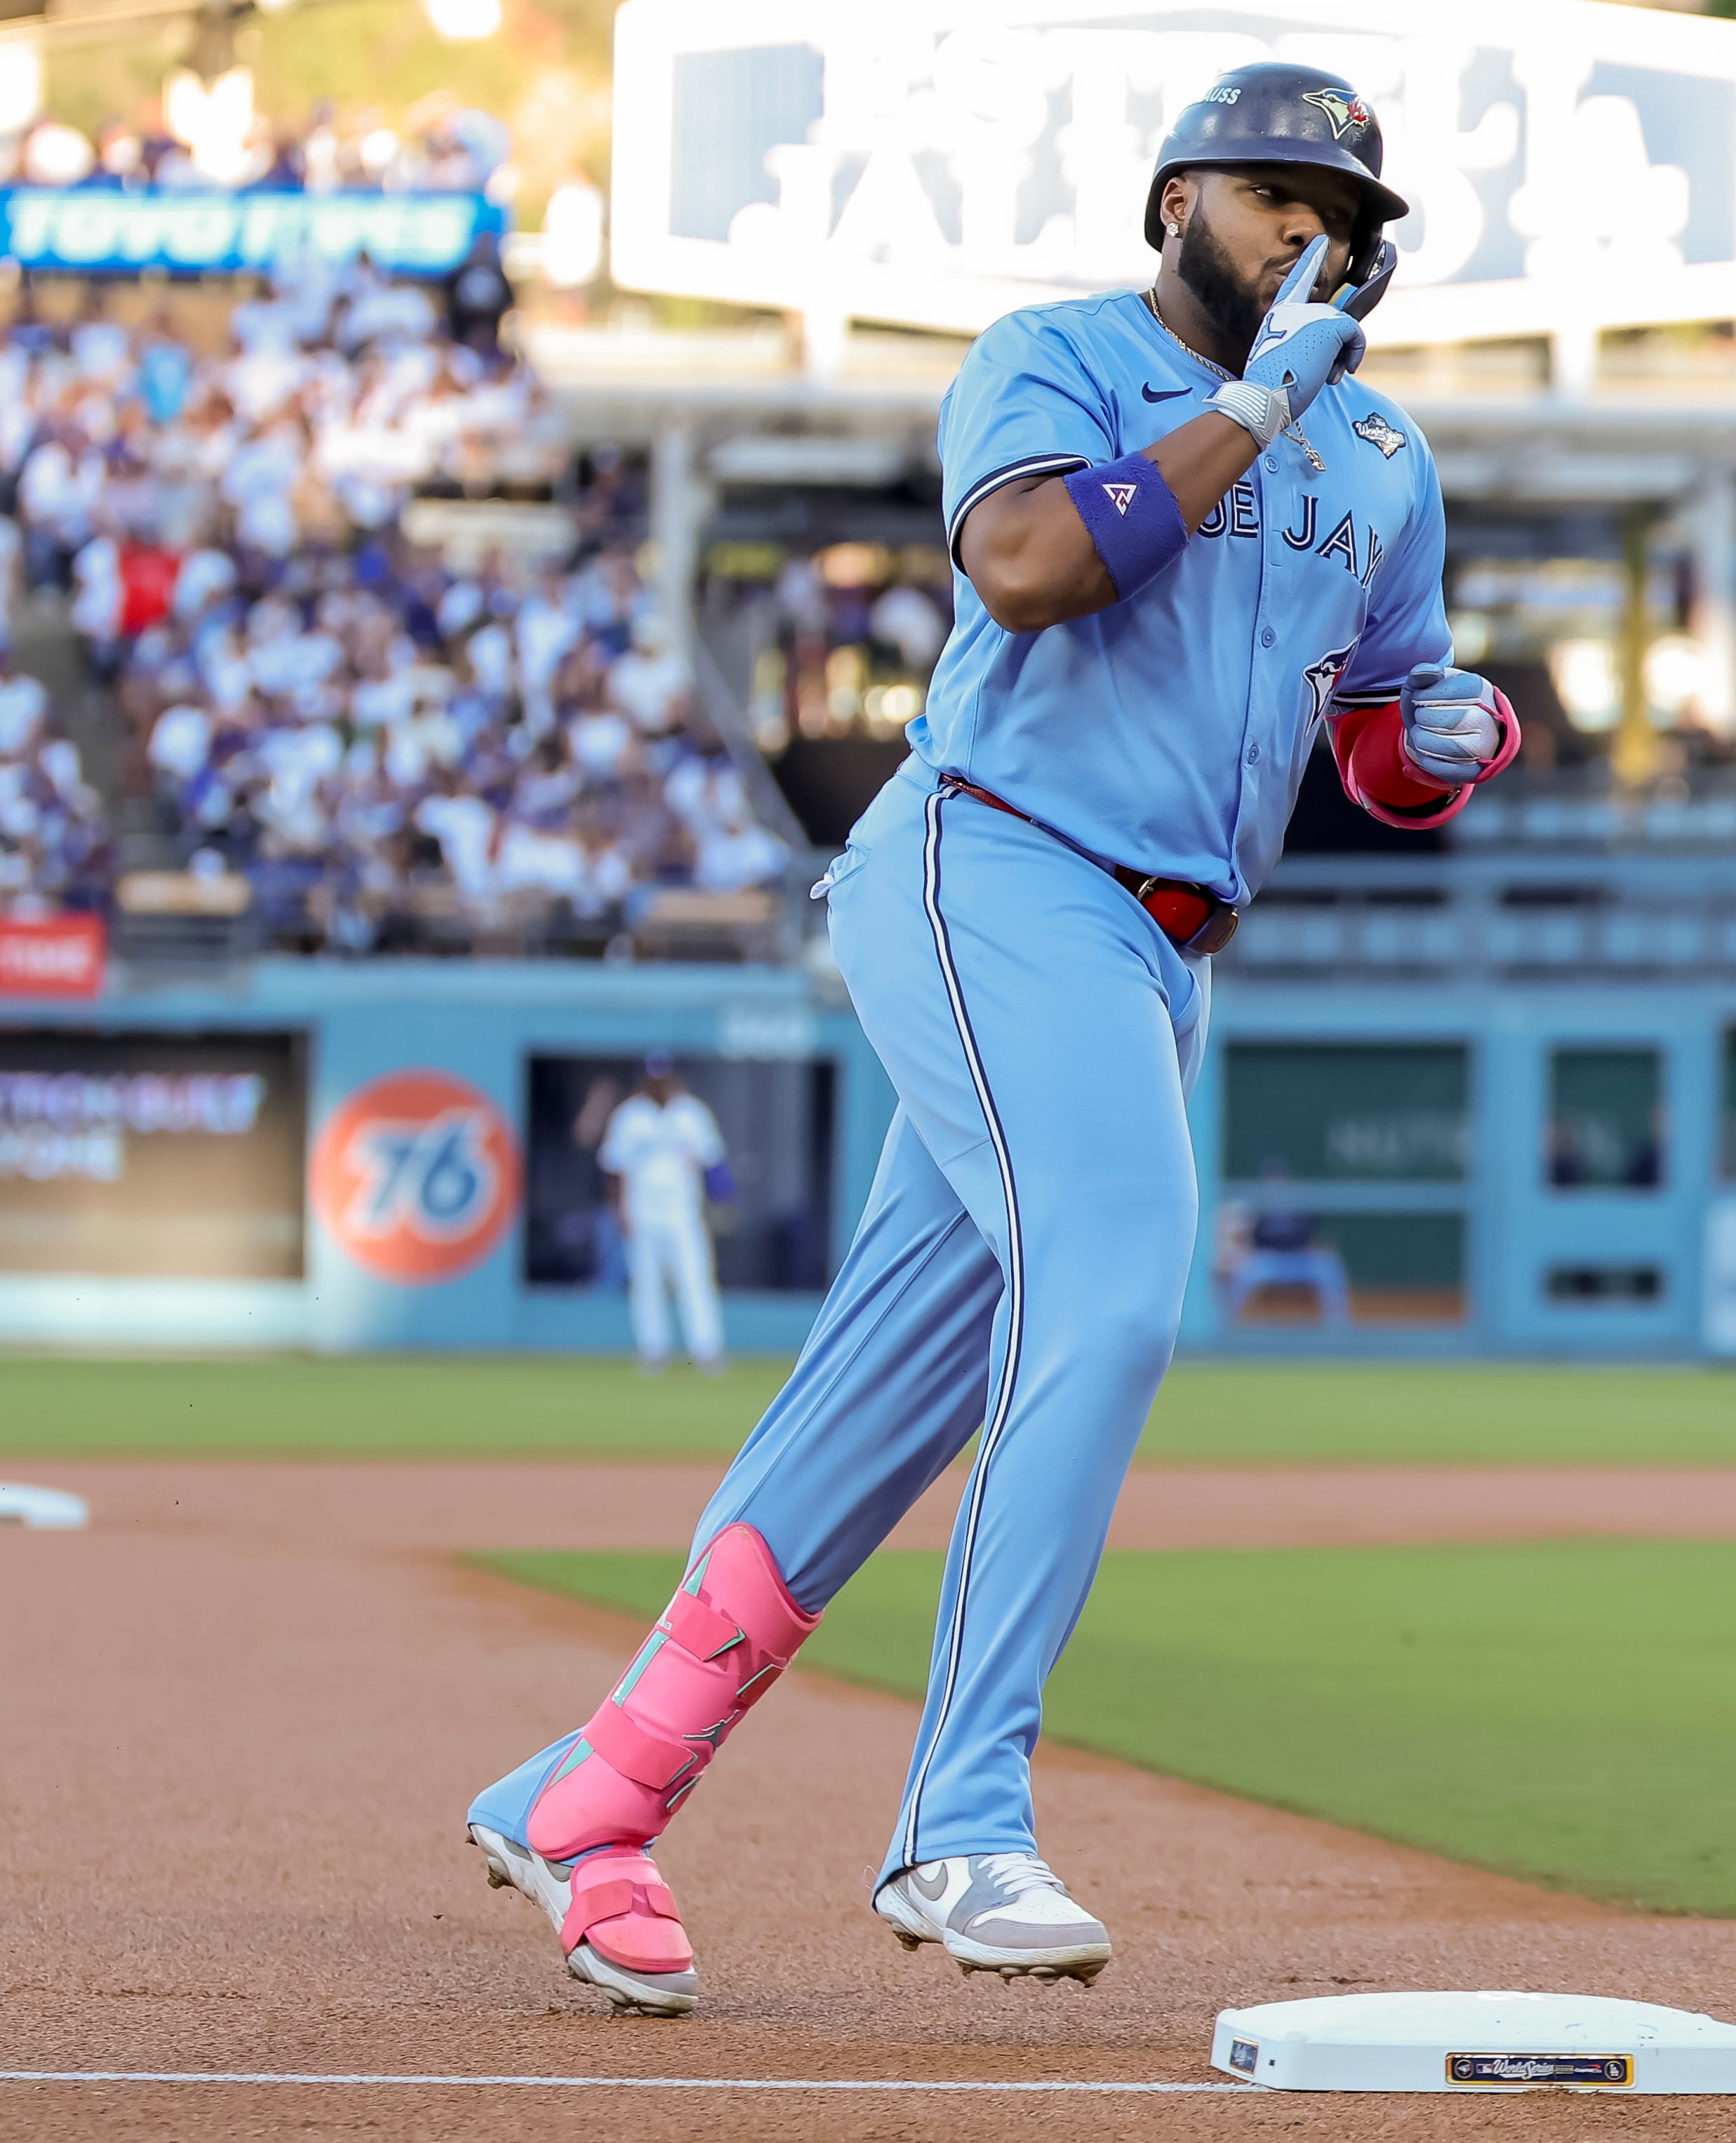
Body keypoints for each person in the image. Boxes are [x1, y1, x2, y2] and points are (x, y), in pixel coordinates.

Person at [463, 62, 1521, 2018]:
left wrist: (1439, 743)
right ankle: (960, 1814)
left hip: (1160, 951)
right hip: (995, 863)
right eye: (1269, 194)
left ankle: (596, 1791)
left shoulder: (1381, 451)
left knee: (880, 1396)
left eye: (1342, 213)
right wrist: (1249, 405)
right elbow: (1028, 569)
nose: (1310, 232)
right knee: (1112, 1287)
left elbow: (1378, 728)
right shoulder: (1054, 357)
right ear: (1173, 204)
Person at [599, 1052, 730, 1376]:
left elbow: (713, 1163)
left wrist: (724, 1202)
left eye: (663, 1078)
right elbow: (614, 1169)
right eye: (653, 1078)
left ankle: (706, 1350)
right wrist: (619, 1211)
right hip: (642, 1213)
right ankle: (653, 1351)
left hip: (683, 1213)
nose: (658, 1084)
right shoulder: (629, 1116)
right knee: (646, 1285)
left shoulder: (691, 1114)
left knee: (695, 1280)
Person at [1216, 1157, 1351, 1326]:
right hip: (1270, 1260)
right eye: (1270, 1180)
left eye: (1278, 1179)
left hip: (1301, 1259)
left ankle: (1338, 1325)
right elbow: (1249, 1239)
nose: (1274, 1184)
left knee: (1328, 1267)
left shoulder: (1301, 1204)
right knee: (1247, 1272)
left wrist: (1317, 1247)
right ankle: (1224, 1324)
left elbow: (1318, 1237)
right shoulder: (1258, 1207)